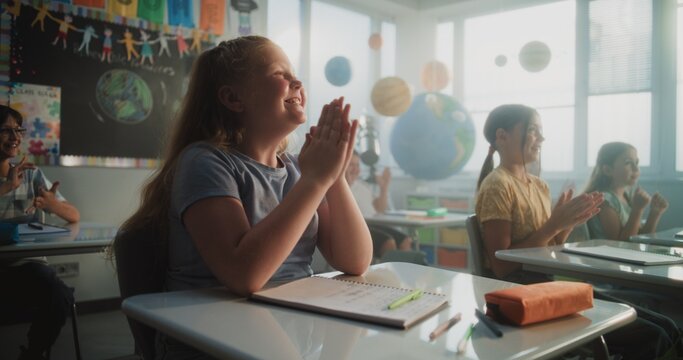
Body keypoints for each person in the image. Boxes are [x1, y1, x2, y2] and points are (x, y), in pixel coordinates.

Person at [114, 36, 372, 358]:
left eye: (294, 73)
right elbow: (243, 275)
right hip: (207, 336)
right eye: (280, 73)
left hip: (285, 329)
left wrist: (334, 176)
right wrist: (317, 180)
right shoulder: (205, 161)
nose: (297, 81)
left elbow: (355, 260)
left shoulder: (297, 170)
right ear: (233, 98)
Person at [474, 104, 603, 282]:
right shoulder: (497, 185)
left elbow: (550, 246)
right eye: (533, 130)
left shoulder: (540, 185)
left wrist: (566, 223)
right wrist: (553, 225)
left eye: (540, 131)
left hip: (544, 281)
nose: (541, 138)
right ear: (502, 136)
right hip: (515, 289)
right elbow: (501, 266)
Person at [0, 105, 80, 360]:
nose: (15, 138)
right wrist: (5, 187)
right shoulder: (12, 179)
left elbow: (74, 215)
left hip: (28, 269)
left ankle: (33, 354)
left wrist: (52, 204)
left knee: (59, 294)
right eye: (6, 131)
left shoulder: (32, 175)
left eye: (18, 130)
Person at [584, 142, 668, 240]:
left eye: (636, 163)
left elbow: (641, 238)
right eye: (628, 163)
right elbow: (621, 244)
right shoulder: (604, 200)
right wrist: (637, 210)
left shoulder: (627, 196)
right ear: (608, 170)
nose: (636, 168)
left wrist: (655, 213)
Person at [345, 151, 412, 260]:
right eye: (351, 165)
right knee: (388, 242)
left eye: (357, 165)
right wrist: (346, 183)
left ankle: (404, 273)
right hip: (355, 228)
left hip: (374, 224)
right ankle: (388, 275)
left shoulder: (363, 186)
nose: (356, 169)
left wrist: (384, 188)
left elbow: (379, 209)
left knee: (405, 241)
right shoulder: (337, 188)